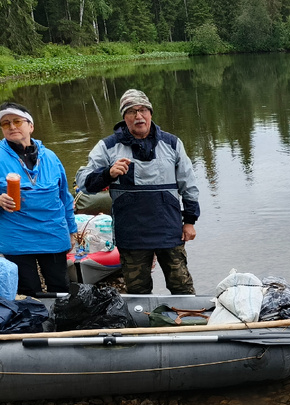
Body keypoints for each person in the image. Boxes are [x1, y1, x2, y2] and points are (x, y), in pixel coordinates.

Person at [75, 89, 200, 294]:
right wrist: (108, 173)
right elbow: (84, 183)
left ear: (150, 113)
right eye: (131, 111)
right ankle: (142, 325)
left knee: (182, 287)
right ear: (124, 118)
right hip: (131, 233)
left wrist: (190, 221)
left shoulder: (172, 143)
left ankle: (188, 322)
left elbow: (189, 185)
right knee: (137, 291)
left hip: (169, 229)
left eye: (142, 110)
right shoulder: (108, 147)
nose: (138, 116)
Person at [0, 102, 76, 296]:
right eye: (6, 124)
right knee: (27, 291)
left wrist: (72, 229)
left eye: (17, 121)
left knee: (61, 288)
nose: (12, 127)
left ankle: (61, 323)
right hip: (16, 237)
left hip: (52, 233)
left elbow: (64, 196)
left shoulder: (50, 157)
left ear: (30, 126)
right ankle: (33, 325)